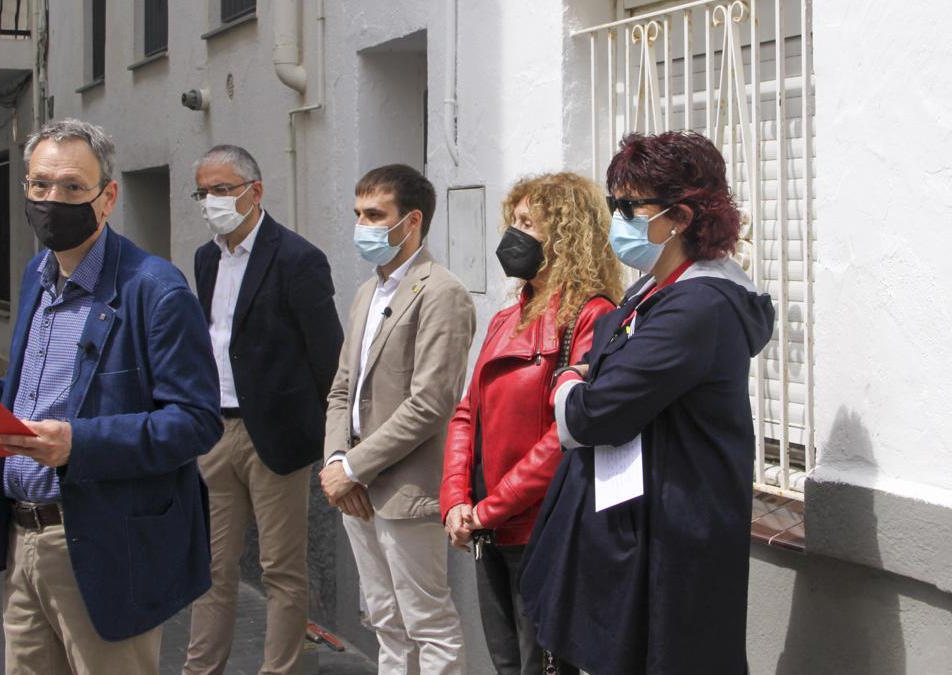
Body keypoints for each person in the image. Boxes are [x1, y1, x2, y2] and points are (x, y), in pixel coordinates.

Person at [0, 118, 222, 675]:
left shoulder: (156, 289)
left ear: (108, 198)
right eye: (40, 186)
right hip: (21, 541)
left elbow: (196, 422)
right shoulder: (37, 274)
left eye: (73, 187)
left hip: (103, 545)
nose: (54, 199)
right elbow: (38, 396)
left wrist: (80, 444)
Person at [520, 131, 775, 675]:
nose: (618, 218)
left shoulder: (700, 306)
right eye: (616, 204)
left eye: (629, 206)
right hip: (632, 520)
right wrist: (587, 379)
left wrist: (567, 381)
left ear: (679, 217)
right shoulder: (650, 289)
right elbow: (605, 371)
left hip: (672, 527)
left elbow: (594, 411)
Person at [440, 173, 620, 675]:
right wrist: (456, 498)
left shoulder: (591, 316)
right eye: (511, 222)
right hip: (487, 527)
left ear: (563, 234)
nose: (511, 236)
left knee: (542, 665)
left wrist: (492, 508)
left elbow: (566, 435)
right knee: (507, 663)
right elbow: (466, 411)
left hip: (541, 528)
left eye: (526, 223)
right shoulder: (506, 316)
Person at [184, 145, 343, 675]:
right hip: (213, 431)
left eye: (223, 189)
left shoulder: (298, 259)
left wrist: (332, 439)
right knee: (210, 567)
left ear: (256, 191)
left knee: (281, 570)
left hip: (273, 437)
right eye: (203, 192)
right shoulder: (206, 259)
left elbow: (328, 356)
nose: (212, 202)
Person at [321, 164, 476, 674]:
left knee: (426, 622)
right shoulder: (368, 291)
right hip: (356, 486)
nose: (361, 226)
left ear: (411, 222)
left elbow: (430, 402)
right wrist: (339, 464)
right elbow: (343, 387)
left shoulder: (442, 292)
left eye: (374, 215)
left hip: (407, 491)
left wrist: (355, 467)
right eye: (357, 214)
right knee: (384, 621)